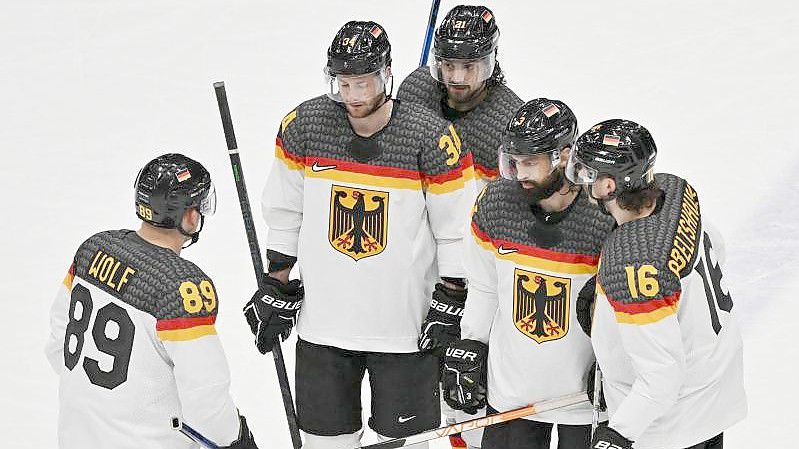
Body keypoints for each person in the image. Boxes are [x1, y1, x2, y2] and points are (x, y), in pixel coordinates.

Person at [243, 21, 475, 449]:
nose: (352, 96)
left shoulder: (431, 138)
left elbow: (456, 229)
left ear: (387, 73)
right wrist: (276, 280)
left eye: (363, 83)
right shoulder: (304, 126)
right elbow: (285, 209)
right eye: (343, 83)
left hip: (405, 331)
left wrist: (452, 297)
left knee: (404, 445)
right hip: (322, 328)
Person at [45, 153, 257, 449]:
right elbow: (205, 395)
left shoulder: (92, 249)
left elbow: (58, 342)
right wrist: (235, 440)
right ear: (191, 216)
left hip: (76, 435)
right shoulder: (182, 286)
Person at [441, 99, 615, 449]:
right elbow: (485, 287)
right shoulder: (495, 205)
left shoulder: (604, 215)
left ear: (564, 156)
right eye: (514, 162)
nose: (520, 174)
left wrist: (618, 364)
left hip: (586, 399)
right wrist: (472, 344)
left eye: (530, 163)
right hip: (512, 394)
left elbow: (622, 303)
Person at [565, 119, 747, 449]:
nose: (581, 181)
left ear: (609, 187)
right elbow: (712, 246)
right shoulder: (674, 190)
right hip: (714, 386)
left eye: (588, 174)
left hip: (670, 425)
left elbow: (661, 379)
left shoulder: (634, 261)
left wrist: (617, 434)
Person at [398, 4, 523, 188]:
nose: (457, 78)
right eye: (449, 65)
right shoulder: (414, 91)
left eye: (468, 66)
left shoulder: (510, 124)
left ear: (490, 62)